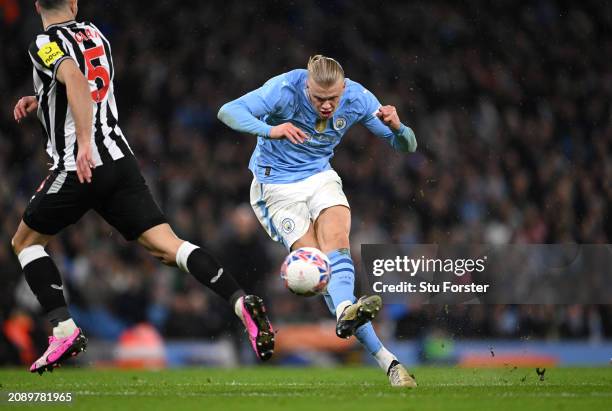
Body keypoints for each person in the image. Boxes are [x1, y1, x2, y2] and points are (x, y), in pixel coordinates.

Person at [11, 0, 274, 374]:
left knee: (25, 242)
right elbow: (91, 86)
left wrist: (84, 143)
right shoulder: (96, 35)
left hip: (79, 165)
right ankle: (239, 300)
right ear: (74, 3)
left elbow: (74, 80)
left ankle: (64, 330)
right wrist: (41, 101)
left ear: (38, 5)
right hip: (121, 161)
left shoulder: (43, 42)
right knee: (169, 247)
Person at [218, 55, 418, 387]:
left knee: (338, 238)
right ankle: (385, 358)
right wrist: (272, 129)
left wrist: (399, 127)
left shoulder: (357, 98)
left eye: (333, 99)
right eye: (318, 98)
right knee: (318, 269)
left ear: (344, 88)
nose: (326, 106)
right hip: (276, 186)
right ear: (307, 86)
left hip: (319, 176)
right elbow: (228, 111)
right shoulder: (284, 89)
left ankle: (347, 317)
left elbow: (407, 146)